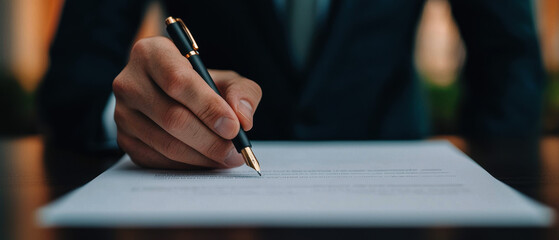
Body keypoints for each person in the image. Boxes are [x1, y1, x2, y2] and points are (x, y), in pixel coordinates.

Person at [37, 0, 545, 170]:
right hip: (209, 210)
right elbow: (74, 84)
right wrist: (133, 118)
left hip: (395, 198)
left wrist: (491, 182)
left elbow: (510, 63)